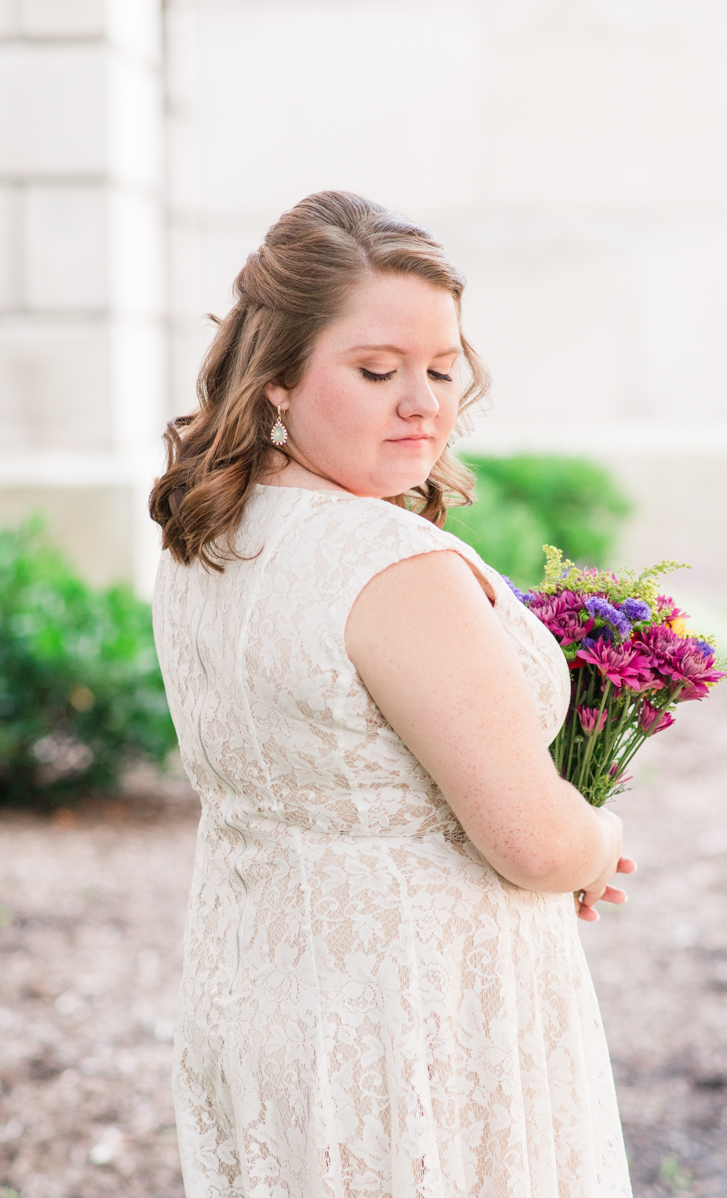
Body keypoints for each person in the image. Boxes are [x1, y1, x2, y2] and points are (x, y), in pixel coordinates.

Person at [149, 190, 635, 1197]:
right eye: (376, 372)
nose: (423, 401)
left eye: (441, 367)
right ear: (276, 377)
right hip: (418, 1022)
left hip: (260, 991)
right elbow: (533, 842)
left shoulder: (212, 534)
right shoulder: (389, 566)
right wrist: (596, 837)